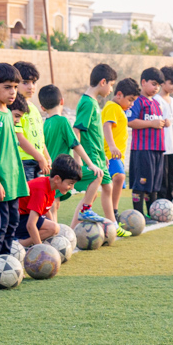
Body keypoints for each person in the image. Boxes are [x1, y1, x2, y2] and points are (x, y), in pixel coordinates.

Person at [0, 63, 30, 273]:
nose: (13, 92)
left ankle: (6, 261)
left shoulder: (8, 114)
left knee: (12, 223)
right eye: (8, 87)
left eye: (15, 87)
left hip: (13, 182)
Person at [39, 84, 103, 223]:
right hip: (61, 171)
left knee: (53, 205)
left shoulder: (45, 124)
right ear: (62, 101)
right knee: (97, 174)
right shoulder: (62, 121)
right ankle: (85, 210)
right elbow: (76, 145)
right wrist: (91, 164)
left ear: (42, 108)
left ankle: (66, 232)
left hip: (49, 172)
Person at [72, 63, 117, 227]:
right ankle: (85, 211)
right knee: (98, 181)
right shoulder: (88, 103)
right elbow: (76, 130)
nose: (111, 90)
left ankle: (113, 224)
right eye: (111, 85)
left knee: (108, 187)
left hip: (98, 154)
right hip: (90, 155)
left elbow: (93, 131)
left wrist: (103, 154)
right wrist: (77, 159)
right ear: (103, 82)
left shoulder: (93, 102)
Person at [126, 67, 166, 224]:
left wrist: (164, 122)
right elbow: (131, 121)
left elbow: (157, 122)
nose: (156, 88)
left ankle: (152, 212)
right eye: (154, 84)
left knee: (154, 183)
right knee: (141, 182)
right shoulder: (137, 101)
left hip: (158, 149)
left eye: (158, 86)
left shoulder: (156, 102)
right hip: (143, 149)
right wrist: (152, 123)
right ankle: (138, 214)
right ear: (143, 82)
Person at [15, 154, 81, 247]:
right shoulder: (41, 190)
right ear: (57, 179)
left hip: (23, 217)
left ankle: (28, 241)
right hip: (15, 220)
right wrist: (42, 249)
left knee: (53, 228)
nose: (72, 187)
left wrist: (55, 232)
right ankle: (20, 244)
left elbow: (46, 212)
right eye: (70, 183)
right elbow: (31, 224)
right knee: (52, 228)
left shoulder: (50, 187)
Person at [102, 77, 140, 228]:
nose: (131, 104)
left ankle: (112, 213)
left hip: (119, 156)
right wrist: (111, 146)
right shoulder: (112, 107)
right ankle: (113, 213)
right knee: (119, 177)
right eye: (130, 100)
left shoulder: (120, 109)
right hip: (110, 154)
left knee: (114, 182)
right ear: (119, 95)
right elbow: (106, 126)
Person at [12, 61, 51, 181]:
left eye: (34, 82)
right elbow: (19, 137)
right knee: (26, 198)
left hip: (39, 161)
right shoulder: (14, 107)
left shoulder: (34, 108)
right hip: (24, 162)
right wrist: (40, 158)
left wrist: (47, 157)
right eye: (25, 82)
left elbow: (39, 137)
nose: (31, 86)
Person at [155, 65, 173, 202]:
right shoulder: (156, 100)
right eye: (171, 83)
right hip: (161, 147)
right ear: (162, 82)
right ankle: (162, 202)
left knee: (172, 176)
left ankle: (172, 201)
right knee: (162, 178)